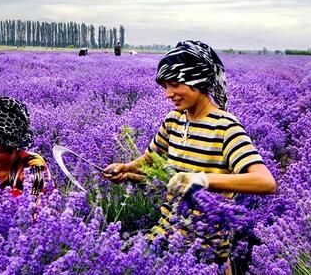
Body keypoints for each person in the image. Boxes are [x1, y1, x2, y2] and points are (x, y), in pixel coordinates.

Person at [103, 40, 277, 271]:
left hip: (205, 250)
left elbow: (265, 181)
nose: (168, 94)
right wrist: (127, 169)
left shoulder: (225, 127)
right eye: (165, 86)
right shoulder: (174, 120)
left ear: (197, 81)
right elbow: (150, 159)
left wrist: (201, 179)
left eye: (175, 84)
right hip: (165, 238)